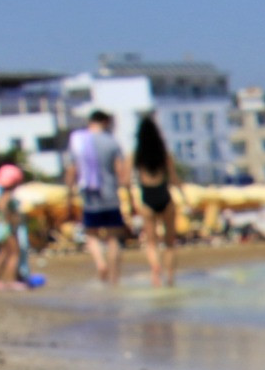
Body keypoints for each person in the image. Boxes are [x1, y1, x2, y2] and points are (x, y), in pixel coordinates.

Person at [64, 110, 131, 285]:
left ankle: (100, 264)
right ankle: (115, 278)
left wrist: (69, 194)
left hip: (89, 195)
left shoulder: (79, 142)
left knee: (91, 234)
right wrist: (129, 195)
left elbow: (72, 170)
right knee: (113, 238)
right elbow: (121, 172)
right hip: (110, 194)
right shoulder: (111, 142)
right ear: (106, 122)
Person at [129, 116, 180, 287]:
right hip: (164, 195)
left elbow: (126, 180)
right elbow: (174, 179)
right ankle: (170, 277)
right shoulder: (163, 153)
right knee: (169, 243)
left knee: (151, 243)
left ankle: (156, 271)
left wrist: (129, 203)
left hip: (147, 197)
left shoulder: (137, 155)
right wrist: (184, 197)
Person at [0, 164, 44, 291]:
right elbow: (5, 211)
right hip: (6, 228)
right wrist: (14, 220)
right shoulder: (8, 195)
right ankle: (12, 281)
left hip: (0, 228)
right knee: (14, 253)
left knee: (4, 254)